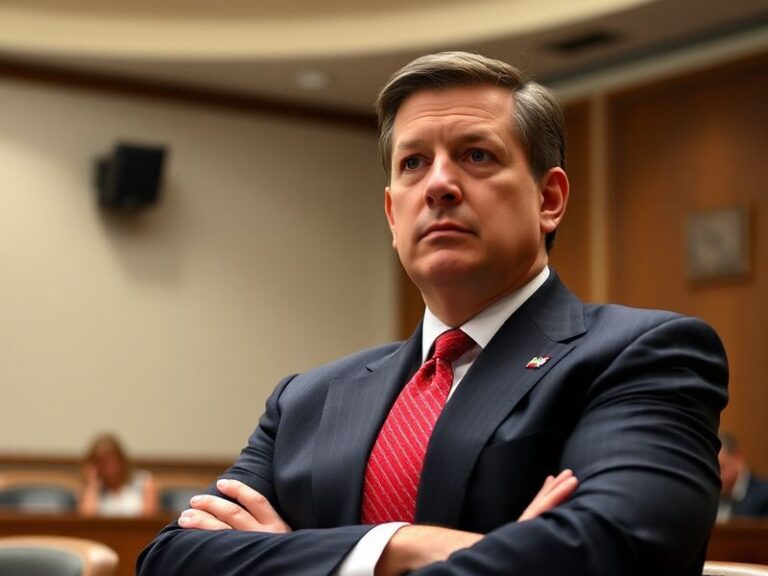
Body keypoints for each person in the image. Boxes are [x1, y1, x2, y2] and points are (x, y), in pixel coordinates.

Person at [137, 51, 728, 575]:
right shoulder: (305, 401)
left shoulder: (642, 354)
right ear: (394, 215)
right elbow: (173, 559)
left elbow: (612, 550)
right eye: (414, 163)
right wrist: (404, 546)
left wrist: (308, 557)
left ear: (548, 199)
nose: (440, 184)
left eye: (476, 155)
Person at [79, 433, 158, 517]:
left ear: (121, 460)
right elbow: (87, 522)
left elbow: (149, 519)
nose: (107, 467)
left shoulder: (144, 481)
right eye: (101, 462)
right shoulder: (92, 489)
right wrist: (92, 484)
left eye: (110, 461)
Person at [717, 433, 768, 521]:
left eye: (721, 468)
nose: (717, 476)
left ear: (737, 457)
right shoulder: (710, 494)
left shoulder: (765, 495)